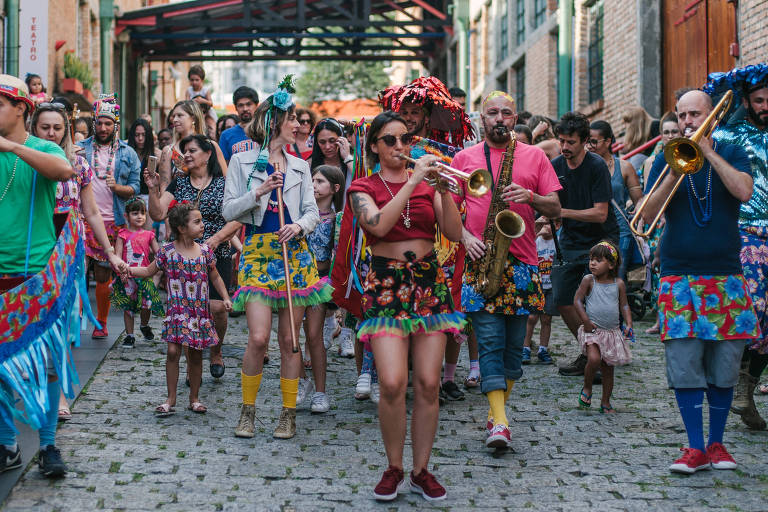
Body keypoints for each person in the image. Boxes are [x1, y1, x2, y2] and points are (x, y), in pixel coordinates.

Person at [346, 110, 464, 502]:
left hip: (429, 281)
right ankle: (394, 466)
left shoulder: (428, 186)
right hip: (386, 283)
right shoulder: (362, 187)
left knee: (429, 384)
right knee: (393, 382)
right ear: (375, 147)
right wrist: (413, 180)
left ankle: (420, 470)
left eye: (406, 140)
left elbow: (452, 233)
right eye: (392, 140)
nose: (401, 147)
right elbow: (377, 226)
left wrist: (443, 190)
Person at [642, 90, 757, 474]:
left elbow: (743, 190)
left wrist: (707, 153)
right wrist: (674, 170)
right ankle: (694, 447)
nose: (689, 121)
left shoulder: (732, 151)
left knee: (725, 363)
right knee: (685, 362)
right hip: (679, 275)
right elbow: (648, 216)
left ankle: (717, 444)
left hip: (726, 275)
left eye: (696, 114)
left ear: (713, 117)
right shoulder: (665, 157)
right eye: (683, 114)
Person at [223, 76, 331, 440]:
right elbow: (228, 211)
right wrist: (259, 193)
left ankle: (288, 414)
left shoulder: (300, 166)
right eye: (291, 119)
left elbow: (313, 213)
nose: (298, 125)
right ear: (273, 121)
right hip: (257, 252)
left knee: (290, 340)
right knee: (257, 337)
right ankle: (248, 409)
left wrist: (298, 227)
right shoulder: (241, 162)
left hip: (294, 256)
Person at [455, 91, 561, 448]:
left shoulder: (534, 156)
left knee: (515, 349)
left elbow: (556, 207)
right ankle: (499, 421)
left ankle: (495, 411)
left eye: (506, 113)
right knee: (489, 342)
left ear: (515, 119)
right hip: (480, 260)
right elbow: (448, 212)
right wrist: (466, 236)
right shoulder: (464, 157)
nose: (499, 119)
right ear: (481, 119)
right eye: (492, 113)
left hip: (522, 261)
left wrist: (530, 197)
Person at [30, 100, 128, 420]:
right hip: (31, 249)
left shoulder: (79, 164)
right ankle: (27, 386)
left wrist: (110, 251)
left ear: (67, 130)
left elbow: (91, 212)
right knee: (31, 323)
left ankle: (58, 395)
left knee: (64, 323)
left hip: (68, 250)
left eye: (57, 127)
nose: (51, 133)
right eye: (44, 127)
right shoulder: (24, 161)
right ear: (34, 128)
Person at [0, 74, 75, 477]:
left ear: (21, 109)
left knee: (47, 363)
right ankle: (7, 444)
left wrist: (12, 147)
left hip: (36, 274)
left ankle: (47, 446)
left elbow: (62, 172)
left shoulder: (42, 147)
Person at [146, 134, 242, 379]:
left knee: (218, 307)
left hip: (215, 252)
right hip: (183, 256)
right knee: (190, 311)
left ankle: (216, 350)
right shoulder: (179, 183)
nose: (186, 155)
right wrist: (153, 189)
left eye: (192, 150)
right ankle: (193, 365)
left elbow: (238, 217)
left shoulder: (224, 183)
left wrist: (217, 239)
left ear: (208, 154)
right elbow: (158, 214)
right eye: (185, 151)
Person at [707, 65, 768, 430]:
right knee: (755, 308)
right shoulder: (729, 134)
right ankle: (734, 380)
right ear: (746, 101)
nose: (765, 106)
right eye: (759, 100)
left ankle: (747, 387)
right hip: (746, 231)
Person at [129, 202, 232, 416]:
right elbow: (149, 271)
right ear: (182, 228)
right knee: (173, 352)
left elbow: (215, 276)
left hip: (198, 314)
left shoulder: (204, 251)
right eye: (197, 222)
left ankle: (194, 398)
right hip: (177, 313)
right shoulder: (167, 251)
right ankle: (171, 397)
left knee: (195, 356)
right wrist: (128, 270)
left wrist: (225, 297)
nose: (203, 225)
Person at [550, 111, 619, 377]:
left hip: (601, 239)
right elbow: (552, 202)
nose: (564, 147)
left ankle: (599, 358)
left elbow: (601, 213)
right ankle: (589, 350)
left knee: (598, 301)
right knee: (562, 299)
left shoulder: (597, 166)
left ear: (584, 141)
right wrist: (546, 221)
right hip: (570, 239)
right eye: (562, 141)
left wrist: (562, 213)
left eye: (570, 142)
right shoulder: (556, 165)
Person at [78, 94, 142, 339]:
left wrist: (118, 188)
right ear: (94, 123)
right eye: (99, 123)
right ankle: (76, 320)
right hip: (82, 220)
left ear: (115, 125)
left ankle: (101, 322)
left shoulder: (128, 153)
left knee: (103, 274)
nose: (103, 128)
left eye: (108, 123)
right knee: (77, 272)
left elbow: (135, 188)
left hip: (112, 221)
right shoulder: (80, 149)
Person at [297, 164, 345, 413]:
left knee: (314, 337)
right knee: (290, 336)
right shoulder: (300, 212)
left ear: (335, 188)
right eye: (312, 181)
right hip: (295, 280)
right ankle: (301, 381)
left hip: (318, 283)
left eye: (320, 182)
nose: (314, 186)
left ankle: (320, 391)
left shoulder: (337, 218)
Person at [573, 241, 633, 413]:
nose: (592, 263)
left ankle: (605, 402)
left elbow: (624, 306)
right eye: (591, 259)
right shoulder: (589, 280)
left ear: (612, 264)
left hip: (611, 333)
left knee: (608, 369)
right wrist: (585, 320)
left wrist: (628, 323)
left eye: (598, 260)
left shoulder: (618, 284)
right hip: (592, 330)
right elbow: (577, 301)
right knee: (593, 359)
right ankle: (587, 387)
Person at [587, 120, 643, 280]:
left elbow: (639, 200)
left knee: (617, 280)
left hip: (620, 233)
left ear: (608, 141)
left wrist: (638, 211)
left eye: (593, 141)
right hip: (591, 231)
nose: (590, 146)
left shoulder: (624, 167)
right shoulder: (583, 167)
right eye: (587, 141)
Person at [642, 112, 679, 335]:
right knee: (657, 270)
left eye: (674, 131)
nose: (670, 136)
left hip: (677, 219)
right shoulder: (656, 160)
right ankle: (659, 318)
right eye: (666, 132)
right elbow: (650, 193)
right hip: (659, 219)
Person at [111, 198, 163, 348]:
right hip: (128, 277)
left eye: (142, 213)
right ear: (126, 216)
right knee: (128, 307)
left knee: (147, 305)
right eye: (135, 213)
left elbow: (159, 254)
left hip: (145, 276)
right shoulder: (122, 234)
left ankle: (144, 325)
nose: (139, 216)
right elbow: (118, 256)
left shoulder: (149, 235)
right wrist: (120, 271)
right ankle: (130, 335)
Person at [159, 100, 227, 187]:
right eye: (174, 116)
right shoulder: (168, 151)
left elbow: (226, 180)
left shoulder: (212, 146)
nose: (175, 120)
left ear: (193, 118)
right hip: (177, 200)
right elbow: (164, 187)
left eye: (180, 115)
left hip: (209, 199)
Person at [522, 219, 558, 364]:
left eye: (548, 223)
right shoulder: (536, 240)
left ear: (557, 225)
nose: (545, 227)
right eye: (542, 223)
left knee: (546, 319)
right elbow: (526, 247)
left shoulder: (558, 241)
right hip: (537, 285)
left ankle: (543, 349)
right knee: (531, 318)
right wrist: (537, 233)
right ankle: (525, 348)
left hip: (551, 286)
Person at [127, 118, 162, 227]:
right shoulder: (127, 153)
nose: (140, 139)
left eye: (143, 135)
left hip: (149, 198)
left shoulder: (157, 154)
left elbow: (162, 183)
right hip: (130, 198)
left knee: (147, 235)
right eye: (137, 135)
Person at [219, 86, 259, 162]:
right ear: (235, 108)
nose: (245, 109)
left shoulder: (267, 131)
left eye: (248, 104)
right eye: (241, 105)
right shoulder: (226, 135)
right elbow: (224, 166)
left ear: (256, 105)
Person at [621, 106, 658, 171]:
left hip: (651, 161)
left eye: (627, 122)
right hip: (640, 162)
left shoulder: (654, 126)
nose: (625, 126)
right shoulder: (637, 133)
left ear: (635, 121)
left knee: (636, 158)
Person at [185, 65, 217, 138]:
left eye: (197, 80)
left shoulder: (205, 90)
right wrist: (193, 101)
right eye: (192, 80)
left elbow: (211, 103)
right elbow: (186, 103)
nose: (194, 82)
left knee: (211, 126)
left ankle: (214, 136)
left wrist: (202, 101)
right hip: (194, 111)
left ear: (202, 80)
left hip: (206, 111)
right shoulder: (189, 90)